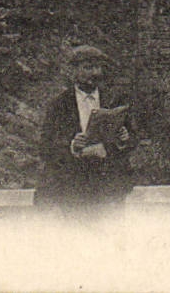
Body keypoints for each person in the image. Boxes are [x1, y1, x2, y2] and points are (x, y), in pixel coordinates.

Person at [37, 44, 136, 216]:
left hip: (108, 186)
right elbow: (45, 147)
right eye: (88, 67)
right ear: (74, 71)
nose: (95, 73)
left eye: (98, 67)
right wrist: (72, 145)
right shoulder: (59, 105)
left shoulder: (114, 99)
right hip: (74, 186)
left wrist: (124, 139)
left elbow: (133, 138)